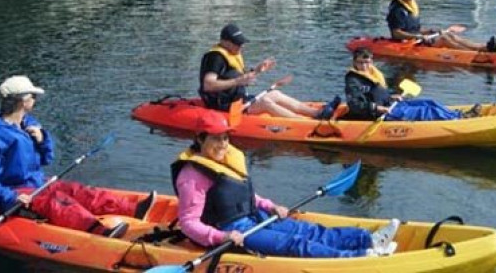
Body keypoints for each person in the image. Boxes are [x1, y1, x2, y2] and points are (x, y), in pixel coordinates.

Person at [171, 110, 400, 258]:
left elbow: (243, 194)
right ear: (200, 139)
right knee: (294, 244)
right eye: (215, 138)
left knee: (308, 230)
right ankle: (358, 257)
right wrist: (222, 237)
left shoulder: (227, 158)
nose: (222, 144)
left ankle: (368, 239)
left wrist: (270, 206)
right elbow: (188, 223)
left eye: (225, 137)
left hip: (254, 217)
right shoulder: (192, 176)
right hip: (232, 230)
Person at [0, 75, 156, 238]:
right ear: (22, 101)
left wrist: (42, 139)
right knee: (57, 202)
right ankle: (97, 231)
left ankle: (132, 209)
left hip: (36, 183)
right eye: (33, 96)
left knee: (77, 191)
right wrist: (9, 197)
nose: (35, 99)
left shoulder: (29, 125)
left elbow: (46, 159)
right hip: (14, 192)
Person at [199, 23, 340, 119]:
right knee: (266, 103)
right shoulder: (215, 57)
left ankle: (317, 113)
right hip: (225, 106)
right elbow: (208, 85)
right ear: (226, 42)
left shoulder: (231, 53)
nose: (241, 46)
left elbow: (240, 79)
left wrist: (258, 70)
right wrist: (238, 81)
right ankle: (302, 122)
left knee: (275, 94)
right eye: (238, 43)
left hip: (239, 100)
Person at [342, 48, 480, 121]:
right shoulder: (353, 80)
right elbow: (355, 104)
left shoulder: (373, 73)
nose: (365, 66)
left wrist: (391, 97)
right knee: (425, 111)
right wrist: (378, 108)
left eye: (368, 62)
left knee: (429, 103)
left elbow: (376, 93)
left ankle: (458, 114)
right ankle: (459, 119)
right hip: (379, 114)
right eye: (361, 63)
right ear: (354, 62)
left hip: (389, 105)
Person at [386, 0, 486, 51]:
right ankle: (472, 54)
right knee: (444, 39)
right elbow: (396, 33)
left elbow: (415, 29)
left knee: (449, 35)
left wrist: (431, 31)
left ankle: (481, 47)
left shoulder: (410, 6)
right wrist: (418, 36)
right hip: (405, 44)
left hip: (416, 39)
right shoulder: (397, 10)